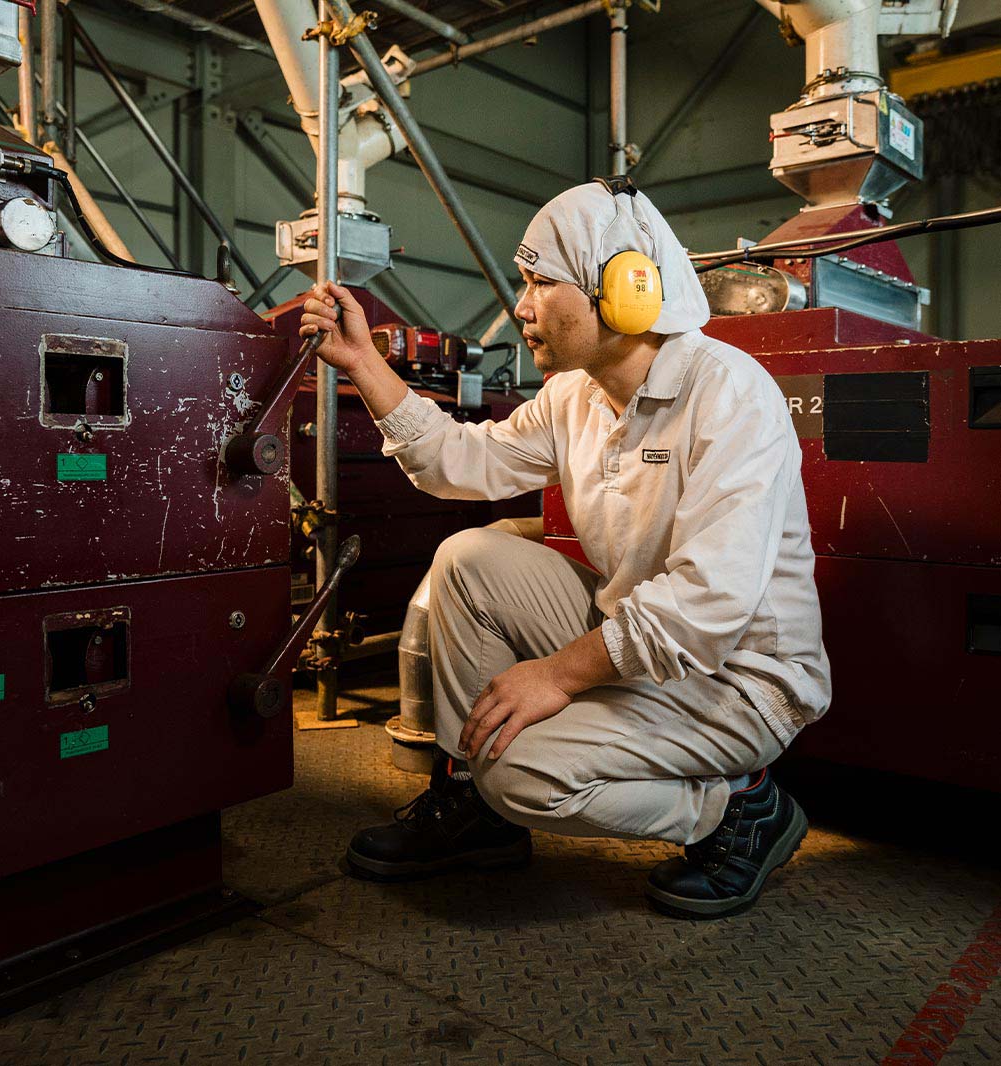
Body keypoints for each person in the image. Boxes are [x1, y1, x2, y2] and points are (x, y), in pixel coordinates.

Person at [299, 177, 831, 919]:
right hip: (647, 644)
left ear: (628, 290)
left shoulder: (729, 395)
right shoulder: (575, 395)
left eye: (542, 282)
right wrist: (363, 364)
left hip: (739, 676)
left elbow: (707, 603)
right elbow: (463, 462)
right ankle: (474, 808)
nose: (521, 307)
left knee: (519, 773)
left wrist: (557, 675)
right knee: (470, 561)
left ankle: (738, 806)